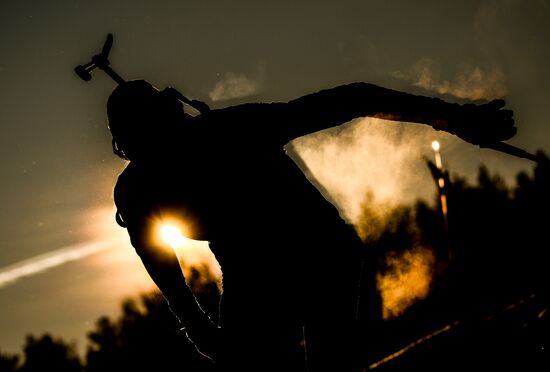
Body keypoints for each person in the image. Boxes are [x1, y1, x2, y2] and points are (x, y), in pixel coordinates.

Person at [107, 80, 515, 371]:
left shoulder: (231, 130)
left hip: (319, 252)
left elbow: (356, 97)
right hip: (255, 274)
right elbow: (163, 268)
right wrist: (202, 333)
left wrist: (451, 117)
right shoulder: (140, 189)